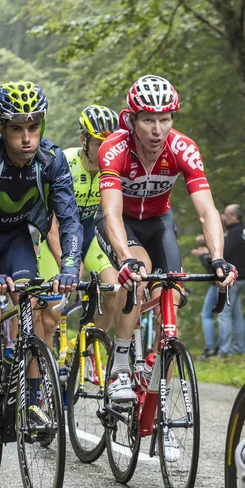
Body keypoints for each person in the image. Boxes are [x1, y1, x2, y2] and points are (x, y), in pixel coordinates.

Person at [0, 81, 82, 439]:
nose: (27, 138)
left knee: (33, 305)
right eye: (17, 129)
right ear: (1, 129)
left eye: (34, 127)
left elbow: (68, 218)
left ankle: (33, 400)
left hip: (15, 239)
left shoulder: (51, 161)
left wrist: (70, 265)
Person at [95, 75, 236, 412]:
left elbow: (207, 210)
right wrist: (124, 258)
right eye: (148, 120)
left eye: (165, 119)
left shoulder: (182, 148)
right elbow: (111, 213)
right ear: (132, 120)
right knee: (139, 275)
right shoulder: (114, 149)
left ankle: (157, 388)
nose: (157, 130)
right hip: (124, 224)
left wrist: (218, 258)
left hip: (160, 224)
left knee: (173, 294)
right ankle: (119, 368)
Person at [36, 105, 120, 349]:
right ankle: (46, 370)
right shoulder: (65, 162)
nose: (106, 151)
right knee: (51, 317)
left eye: (111, 145)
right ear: (83, 140)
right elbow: (51, 222)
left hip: (89, 236)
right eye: (98, 144)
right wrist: (67, 262)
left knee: (114, 288)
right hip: (56, 237)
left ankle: (84, 345)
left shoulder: (113, 168)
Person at [217, 204, 245, 356]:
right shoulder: (243, 231)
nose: (224, 217)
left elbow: (223, 253)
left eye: (227, 215)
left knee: (225, 314)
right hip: (242, 278)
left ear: (234, 216)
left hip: (232, 278)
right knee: (236, 313)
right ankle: (240, 347)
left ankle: (225, 350)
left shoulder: (233, 234)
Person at [191, 235, 218, 357]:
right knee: (230, 316)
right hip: (218, 284)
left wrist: (202, 256)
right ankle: (223, 347)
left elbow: (211, 267)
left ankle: (211, 347)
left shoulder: (217, 246)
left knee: (207, 315)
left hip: (217, 284)